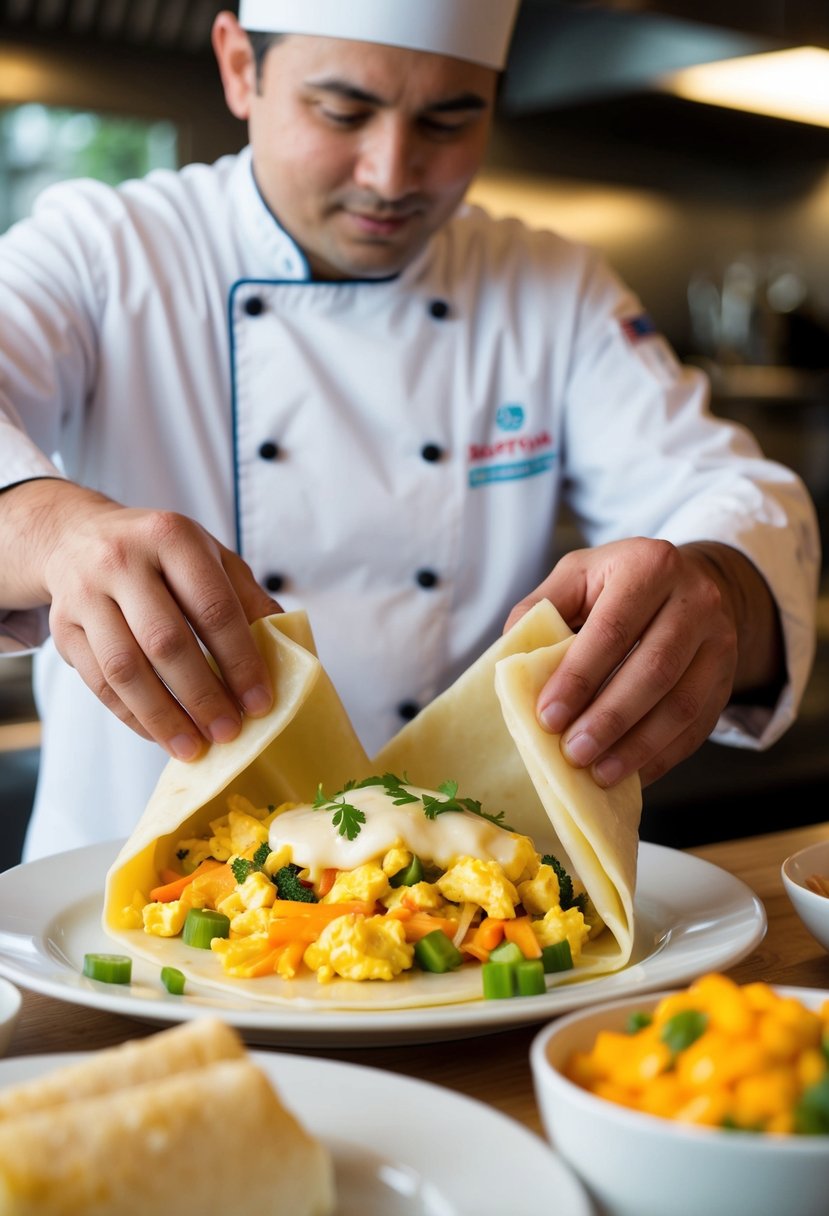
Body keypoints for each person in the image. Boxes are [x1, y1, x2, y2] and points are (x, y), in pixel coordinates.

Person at [0, 0, 819, 862]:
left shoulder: (551, 288)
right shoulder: (103, 251)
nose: (392, 172)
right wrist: (55, 529)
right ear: (242, 68)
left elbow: (724, 493)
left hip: (460, 916)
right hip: (115, 928)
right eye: (342, 111)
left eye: (449, 118)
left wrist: (716, 589)